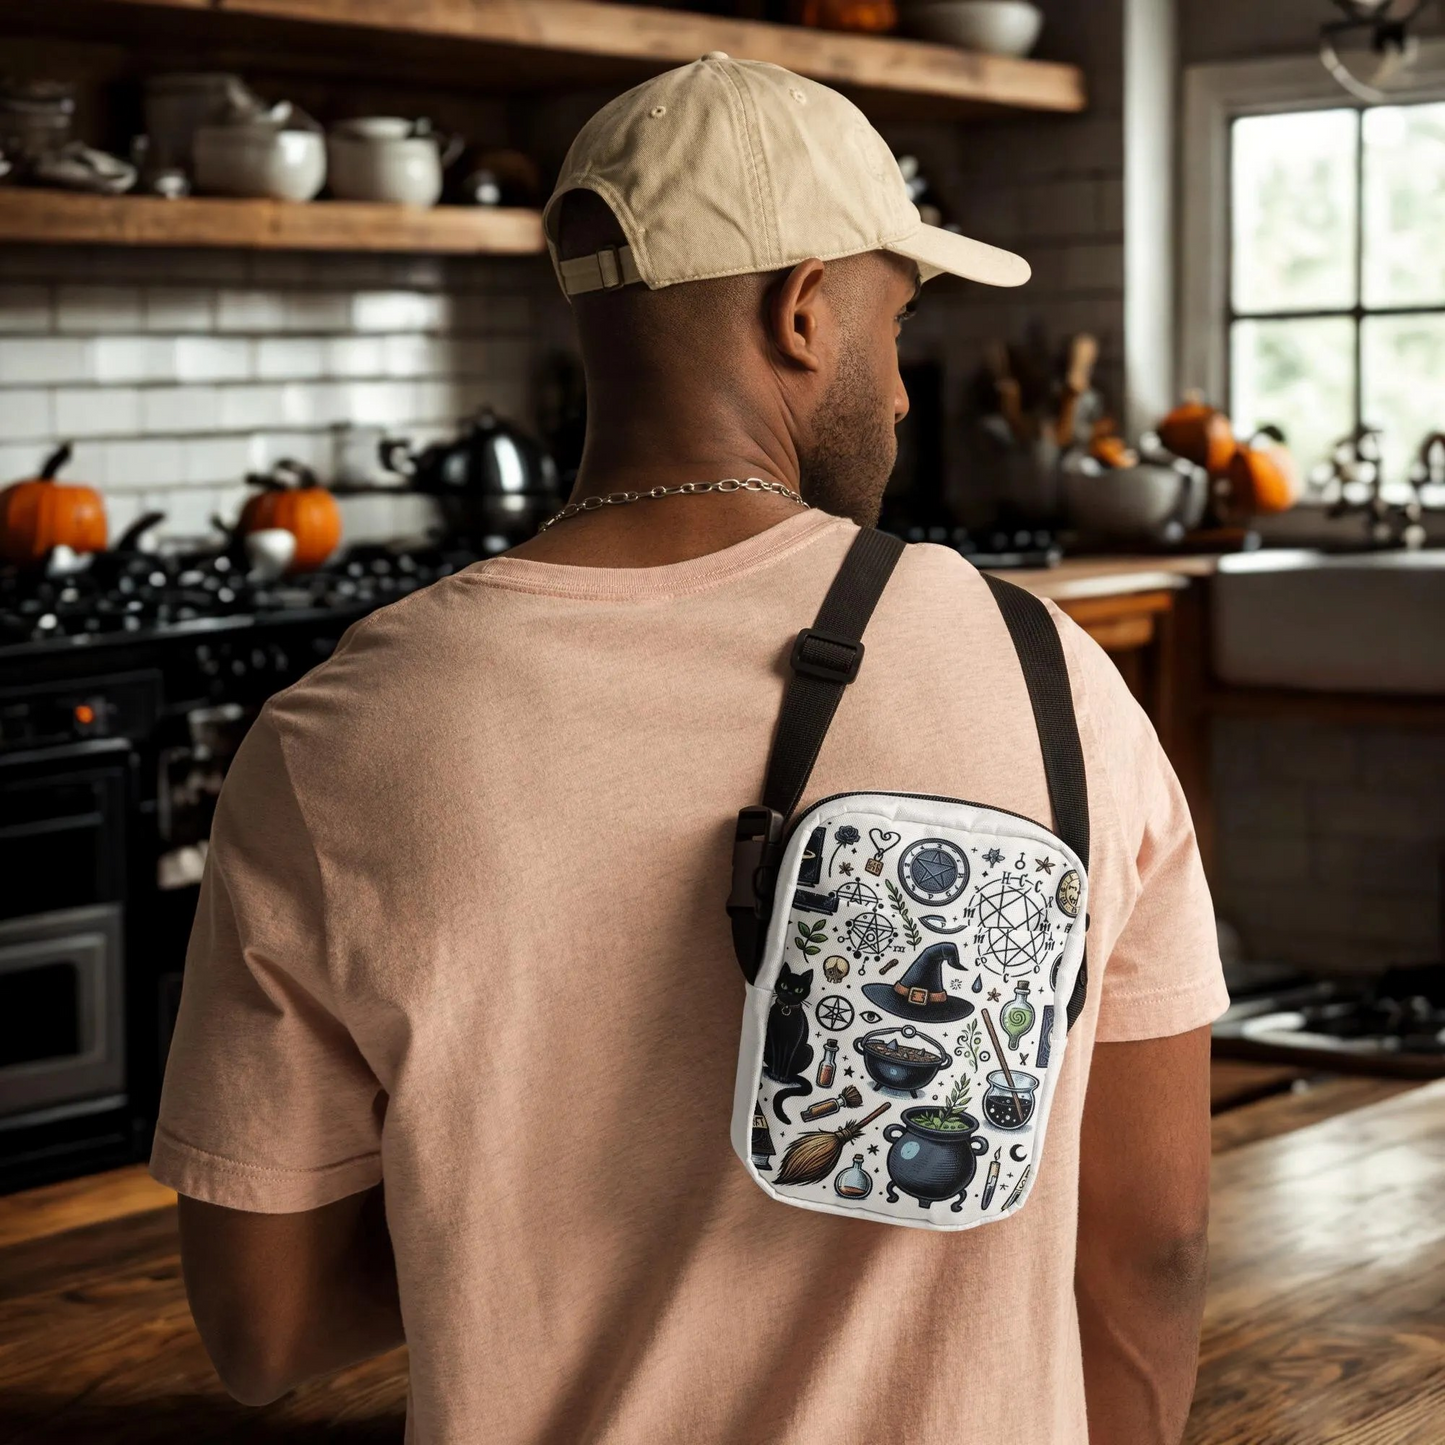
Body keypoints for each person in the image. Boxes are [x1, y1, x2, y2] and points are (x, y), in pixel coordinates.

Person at [154, 54, 1227, 1445]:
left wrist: (507, 1200)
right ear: (799, 312)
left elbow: (264, 1330)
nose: (903, 397)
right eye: (893, 324)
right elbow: (1149, 1254)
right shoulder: (1052, 682)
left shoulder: (334, 735)